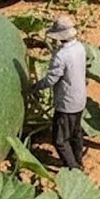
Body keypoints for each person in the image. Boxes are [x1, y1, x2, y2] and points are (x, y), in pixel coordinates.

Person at [32, 18, 87, 170]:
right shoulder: (80, 47)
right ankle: (78, 160)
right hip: (80, 98)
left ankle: (73, 167)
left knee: (60, 140)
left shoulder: (61, 55)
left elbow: (51, 79)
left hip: (66, 102)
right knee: (75, 133)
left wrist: (34, 87)